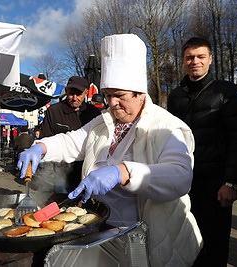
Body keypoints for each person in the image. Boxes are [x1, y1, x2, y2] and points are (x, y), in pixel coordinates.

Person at [18, 34, 202, 266]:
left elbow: (180, 177)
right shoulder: (104, 121)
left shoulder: (166, 126)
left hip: (148, 234)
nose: (112, 103)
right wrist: (41, 147)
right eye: (107, 96)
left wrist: (122, 172)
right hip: (101, 227)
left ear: (139, 93)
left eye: (120, 96)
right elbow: (73, 141)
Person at [167, 37, 237, 267]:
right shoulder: (175, 96)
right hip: (184, 182)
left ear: (210, 59)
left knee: (215, 243)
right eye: (189, 57)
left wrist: (231, 182)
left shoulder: (227, 91)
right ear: (183, 61)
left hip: (216, 182)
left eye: (201, 56)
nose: (195, 61)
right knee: (185, 240)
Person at [38, 76, 101, 192]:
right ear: (66, 91)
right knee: (62, 202)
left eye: (79, 94)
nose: (74, 98)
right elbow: (45, 138)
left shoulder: (93, 112)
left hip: (87, 169)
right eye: (71, 93)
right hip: (61, 171)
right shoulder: (54, 111)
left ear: (86, 93)